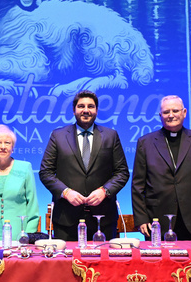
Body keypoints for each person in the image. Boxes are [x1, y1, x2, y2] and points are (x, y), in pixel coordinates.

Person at [39, 90, 129, 241]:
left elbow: (122, 172)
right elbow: (45, 172)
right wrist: (66, 192)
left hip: (103, 217)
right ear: (74, 110)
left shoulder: (110, 135)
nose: (86, 110)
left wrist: (105, 191)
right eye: (81, 106)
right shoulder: (58, 135)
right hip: (66, 218)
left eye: (91, 106)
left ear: (96, 110)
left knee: (104, 263)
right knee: (66, 264)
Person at [131, 95, 191, 240]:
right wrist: (141, 218)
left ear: (184, 112)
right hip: (157, 220)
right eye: (166, 112)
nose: (171, 115)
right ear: (160, 115)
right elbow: (137, 186)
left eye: (175, 111)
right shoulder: (145, 143)